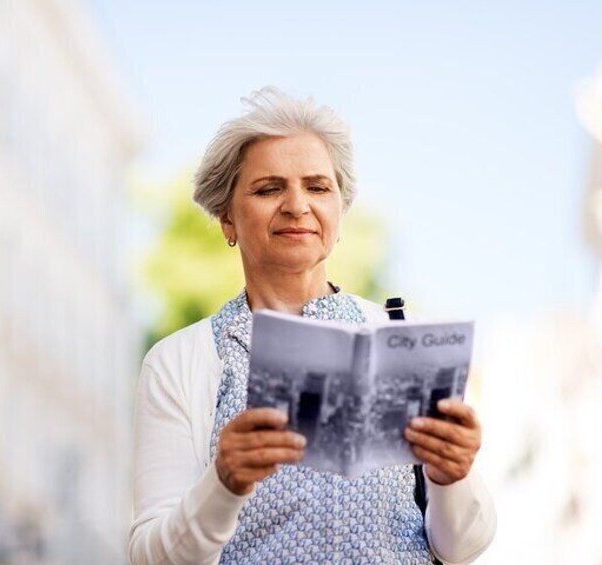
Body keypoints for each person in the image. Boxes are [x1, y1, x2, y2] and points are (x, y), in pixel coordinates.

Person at [129, 87, 496, 564]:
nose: (297, 205)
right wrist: (223, 483)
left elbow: (464, 546)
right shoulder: (179, 363)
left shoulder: (401, 342)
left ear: (339, 213)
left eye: (318, 187)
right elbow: (150, 557)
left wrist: (455, 474)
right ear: (227, 218)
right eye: (269, 188)